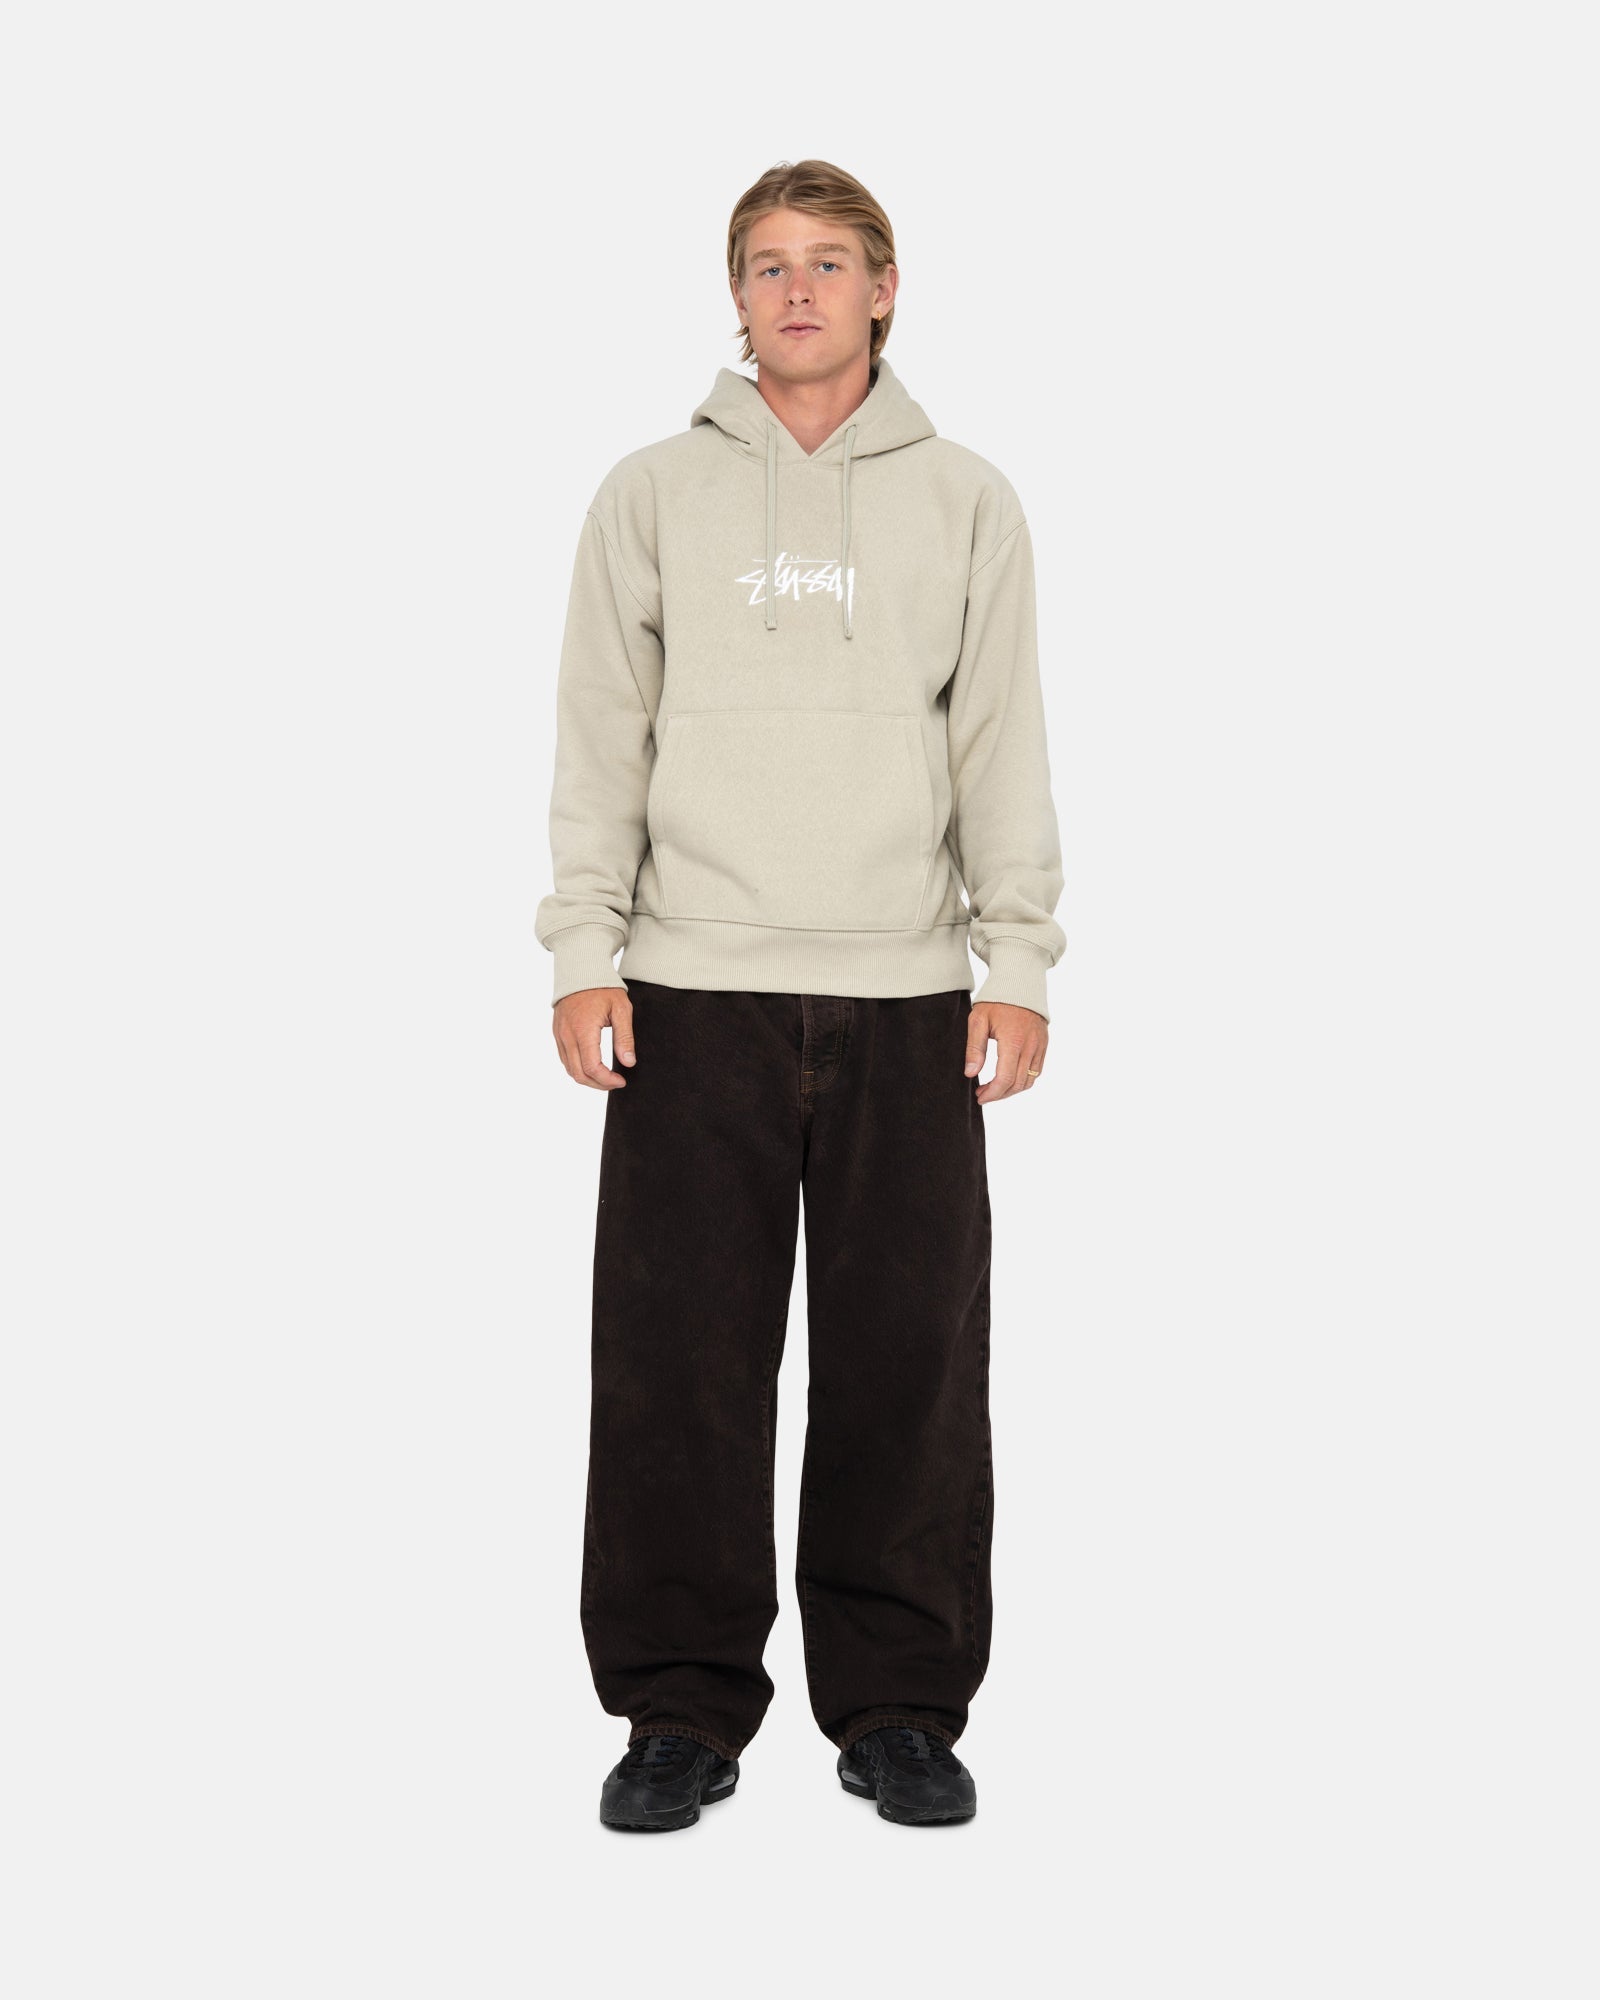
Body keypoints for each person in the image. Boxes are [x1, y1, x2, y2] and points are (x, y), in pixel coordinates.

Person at [535, 158, 1066, 1831]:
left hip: (909, 996)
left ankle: (900, 1706)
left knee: (909, 1367)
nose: (797, 290)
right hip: (691, 992)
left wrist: (1019, 955)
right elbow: (599, 733)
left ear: (884, 289)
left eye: (829, 263)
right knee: (676, 1369)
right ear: (738, 294)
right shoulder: (650, 495)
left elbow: (1001, 738)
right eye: (768, 264)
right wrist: (582, 950)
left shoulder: (966, 499)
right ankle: (678, 1710)